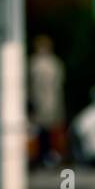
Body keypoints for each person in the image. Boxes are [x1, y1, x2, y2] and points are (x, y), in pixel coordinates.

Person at [28, 35, 66, 166]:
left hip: (45, 103)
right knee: (46, 132)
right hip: (48, 103)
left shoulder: (36, 64)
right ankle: (49, 156)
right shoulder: (54, 64)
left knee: (45, 132)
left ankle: (46, 156)